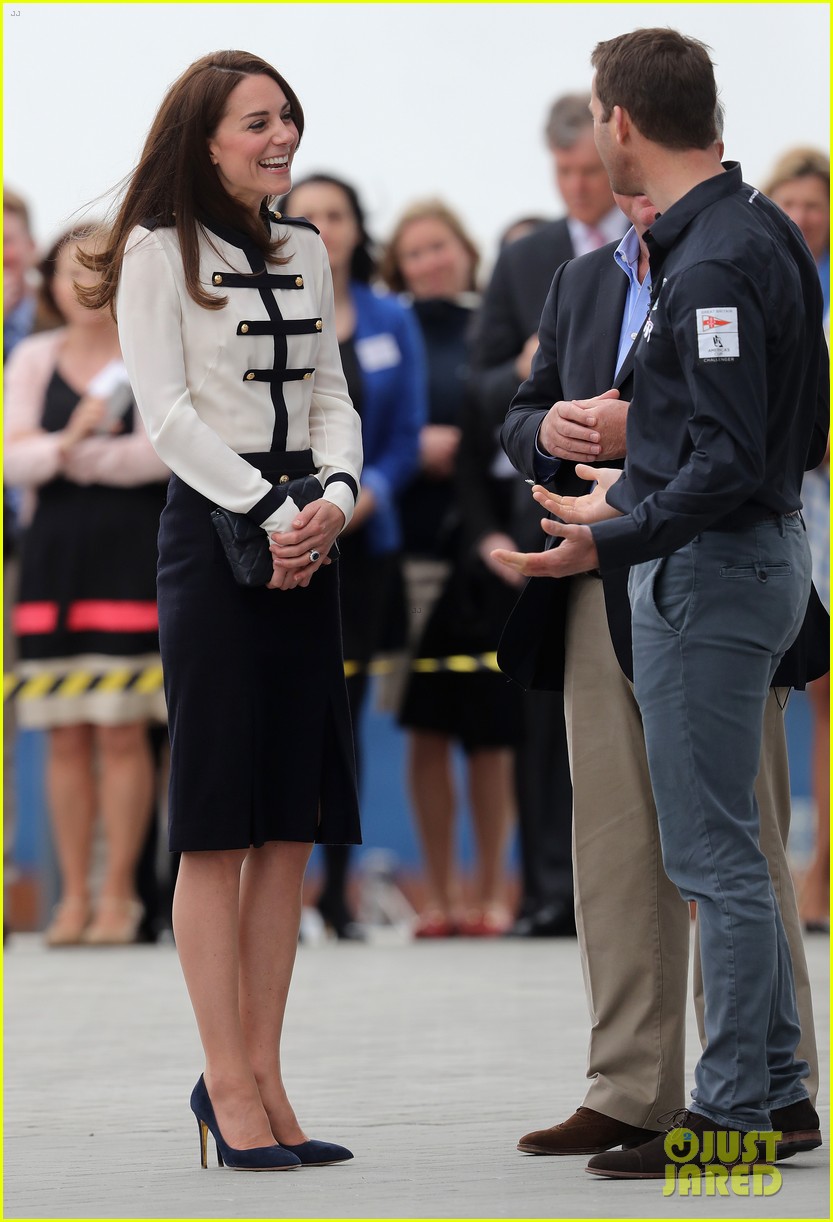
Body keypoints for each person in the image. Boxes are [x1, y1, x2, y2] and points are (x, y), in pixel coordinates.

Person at [493, 28, 827, 1177]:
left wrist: (611, 533)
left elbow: (727, 456)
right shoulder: (737, 238)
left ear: (619, 123)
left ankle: (730, 1111)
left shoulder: (715, 260)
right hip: (731, 556)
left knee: (714, 854)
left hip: (710, 567)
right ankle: (775, 1093)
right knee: (719, 844)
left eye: (595, 114)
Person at [85, 50, 362, 1169]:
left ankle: (265, 1074)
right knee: (217, 820)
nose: (280, 134)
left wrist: (332, 501)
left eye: (288, 116)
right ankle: (226, 1083)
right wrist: (269, 510)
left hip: (311, 533)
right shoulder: (158, 250)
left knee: (288, 822)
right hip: (213, 532)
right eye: (257, 120)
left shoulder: (305, 247)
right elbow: (165, 415)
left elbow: (334, 394)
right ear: (205, 139)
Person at [470, 93, 628, 939]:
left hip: (641, 499)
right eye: (560, 172)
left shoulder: (655, 247)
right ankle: (545, 890)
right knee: (542, 706)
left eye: (585, 170)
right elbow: (482, 381)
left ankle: (626, 889)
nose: (575, 186)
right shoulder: (529, 258)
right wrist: (528, 371)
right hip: (539, 500)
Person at [4, 225, 169, 945]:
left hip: (129, 559)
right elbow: (14, 459)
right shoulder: (35, 357)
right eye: (71, 272)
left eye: (100, 272)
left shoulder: (148, 355)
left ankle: (117, 897)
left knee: (123, 731)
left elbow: (160, 456)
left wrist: (75, 459)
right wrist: (67, 445)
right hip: (52, 566)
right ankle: (71, 898)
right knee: (64, 736)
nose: (85, 286)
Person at [278, 173, 425, 939]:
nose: (323, 227)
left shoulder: (388, 319)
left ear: (357, 230)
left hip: (364, 544)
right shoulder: (263, 307)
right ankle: (281, 897)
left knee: (346, 721)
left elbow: (405, 440)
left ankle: (336, 895)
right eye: (308, 214)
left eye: (336, 215)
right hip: (281, 538)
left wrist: (360, 499)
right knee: (286, 720)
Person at [380, 199, 522, 937]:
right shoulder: (394, 329)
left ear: (466, 250)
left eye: (439, 247)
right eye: (413, 252)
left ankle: (491, 891)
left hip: (490, 550)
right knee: (424, 726)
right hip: (412, 546)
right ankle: (434, 896)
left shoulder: (491, 328)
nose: (429, 262)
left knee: (491, 733)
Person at [763, 149, 830, 933]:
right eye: (789, 202)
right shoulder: (764, 279)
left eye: (814, 204)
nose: (802, 216)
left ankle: (819, 881)